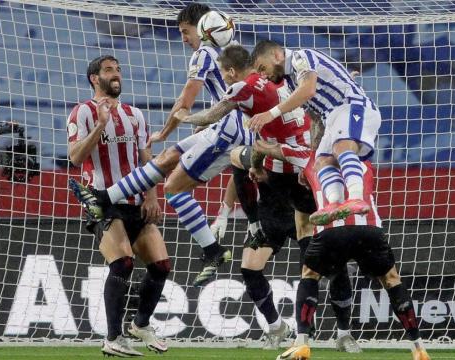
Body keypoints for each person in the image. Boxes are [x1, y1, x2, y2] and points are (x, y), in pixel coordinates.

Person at [184, 44, 359, 352]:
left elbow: (213, 116)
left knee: (328, 266)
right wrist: (254, 166)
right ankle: (276, 327)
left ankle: (343, 333)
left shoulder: (263, 89)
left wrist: (182, 116)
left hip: (302, 191)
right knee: (250, 266)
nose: (265, 75)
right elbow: (245, 157)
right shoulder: (274, 89)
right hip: (274, 196)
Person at [69, 3, 252, 287]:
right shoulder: (234, 50)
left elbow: (184, 102)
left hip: (231, 130)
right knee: (167, 158)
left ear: (202, 27)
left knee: (173, 188)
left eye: (185, 31)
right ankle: (103, 199)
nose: (183, 38)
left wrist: (165, 131)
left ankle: (212, 250)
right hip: (232, 127)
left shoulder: (203, 53)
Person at [276, 139, 430, 360]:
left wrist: (257, 163)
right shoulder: (365, 162)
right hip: (368, 229)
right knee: (391, 279)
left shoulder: (310, 157)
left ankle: (302, 342)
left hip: (331, 230)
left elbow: (268, 148)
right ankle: (419, 348)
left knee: (309, 275)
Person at [67, 55, 170, 356]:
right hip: (103, 200)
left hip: (136, 200)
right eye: (109, 70)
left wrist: (152, 195)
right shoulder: (82, 112)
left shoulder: (134, 114)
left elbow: (145, 159)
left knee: (161, 266)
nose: (116, 75)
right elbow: (74, 157)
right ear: (94, 78)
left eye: (118, 70)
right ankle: (112, 338)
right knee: (123, 263)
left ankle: (140, 324)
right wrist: (100, 126)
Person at [247, 39, 381, 226]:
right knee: (322, 161)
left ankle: (357, 198)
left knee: (342, 147)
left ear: (277, 55)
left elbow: (308, 89)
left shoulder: (300, 57)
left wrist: (271, 114)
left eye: (262, 68)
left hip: (352, 106)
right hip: (331, 117)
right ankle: (334, 204)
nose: (262, 76)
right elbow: (315, 118)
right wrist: (310, 159)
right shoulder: (292, 83)